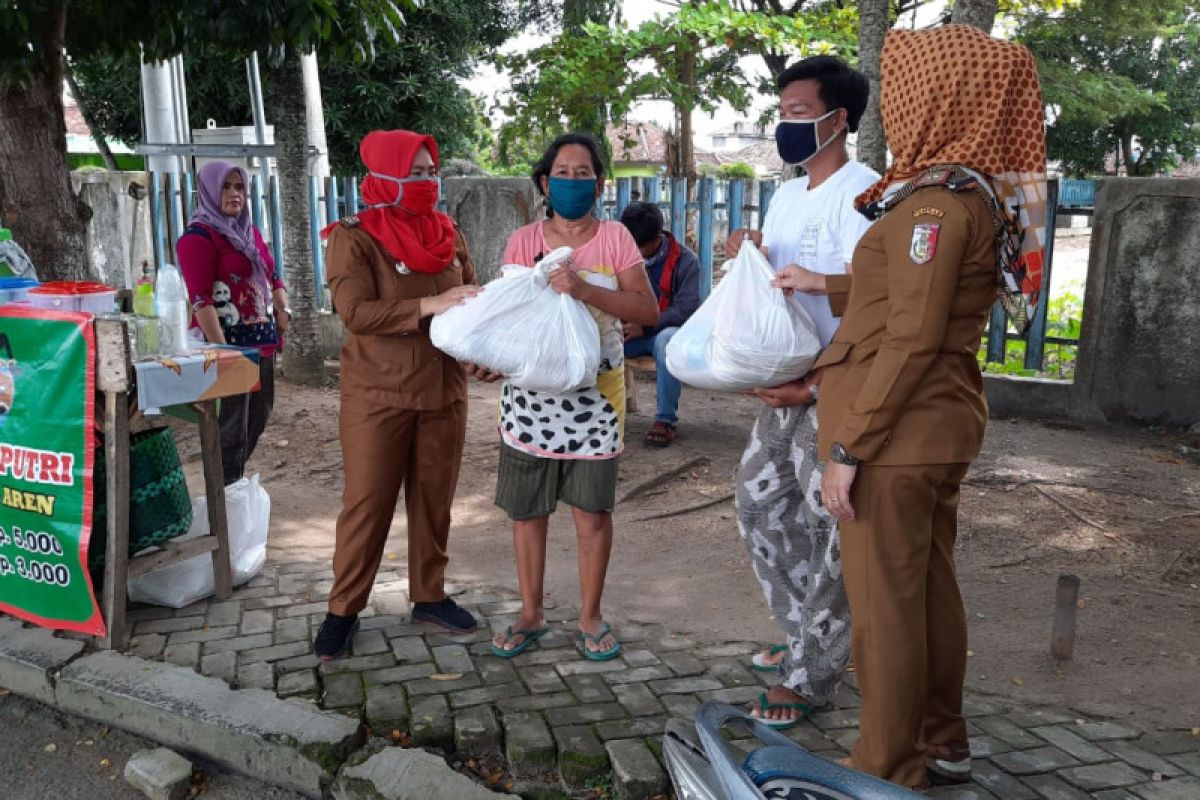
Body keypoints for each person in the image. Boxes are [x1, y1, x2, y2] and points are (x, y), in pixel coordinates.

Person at [778, 26, 1049, 790]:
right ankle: (942, 738)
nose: (895, 103)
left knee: (884, 609)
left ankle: (887, 767)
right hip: (934, 424)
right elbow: (909, 294)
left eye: (906, 88)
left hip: (894, 435)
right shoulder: (963, 191)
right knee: (927, 589)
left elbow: (912, 333)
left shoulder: (934, 204)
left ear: (941, 95)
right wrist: (822, 285)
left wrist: (848, 449)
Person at [723, 56, 879, 728]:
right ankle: (801, 640)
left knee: (832, 532)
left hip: (837, 391)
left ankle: (812, 675)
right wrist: (749, 250)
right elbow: (779, 287)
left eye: (795, 113)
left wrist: (814, 381)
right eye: (781, 112)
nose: (783, 126)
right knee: (761, 508)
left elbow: (878, 307)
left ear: (837, 119)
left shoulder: (868, 194)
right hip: (782, 386)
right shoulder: (788, 194)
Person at [314, 130, 487, 659]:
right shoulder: (354, 236)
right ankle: (343, 610)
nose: (427, 183)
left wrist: (482, 352)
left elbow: (472, 300)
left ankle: (429, 596)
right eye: (414, 173)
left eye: (431, 172)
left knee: (435, 502)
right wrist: (431, 305)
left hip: (444, 389)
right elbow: (357, 314)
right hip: (379, 393)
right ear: (383, 175)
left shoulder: (446, 231)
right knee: (368, 504)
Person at [489, 133, 659, 661]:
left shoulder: (614, 240)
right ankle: (531, 613)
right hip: (530, 400)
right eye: (562, 172)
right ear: (545, 182)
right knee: (528, 513)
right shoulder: (522, 241)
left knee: (591, 513)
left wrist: (584, 289)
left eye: (583, 173)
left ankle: (590, 617)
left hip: (598, 401)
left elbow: (646, 310)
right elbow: (507, 314)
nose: (572, 182)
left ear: (599, 183)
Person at [177, 161, 290, 486]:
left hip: (262, 341)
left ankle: (231, 486)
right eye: (226, 187)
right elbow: (201, 300)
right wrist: (223, 349)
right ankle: (224, 494)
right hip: (229, 345)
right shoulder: (198, 237)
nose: (234, 194)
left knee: (259, 415)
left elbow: (273, 273)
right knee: (231, 426)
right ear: (210, 191)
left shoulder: (249, 232)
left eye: (239, 187)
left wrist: (284, 309)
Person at [619, 201, 701, 447]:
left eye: (638, 247)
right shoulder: (619, 256)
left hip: (659, 334)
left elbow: (686, 309)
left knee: (668, 341)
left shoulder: (686, 261)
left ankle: (665, 420)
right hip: (626, 333)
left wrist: (643, 326)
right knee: (594, 340)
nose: (632, 252)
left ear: (656, 240)